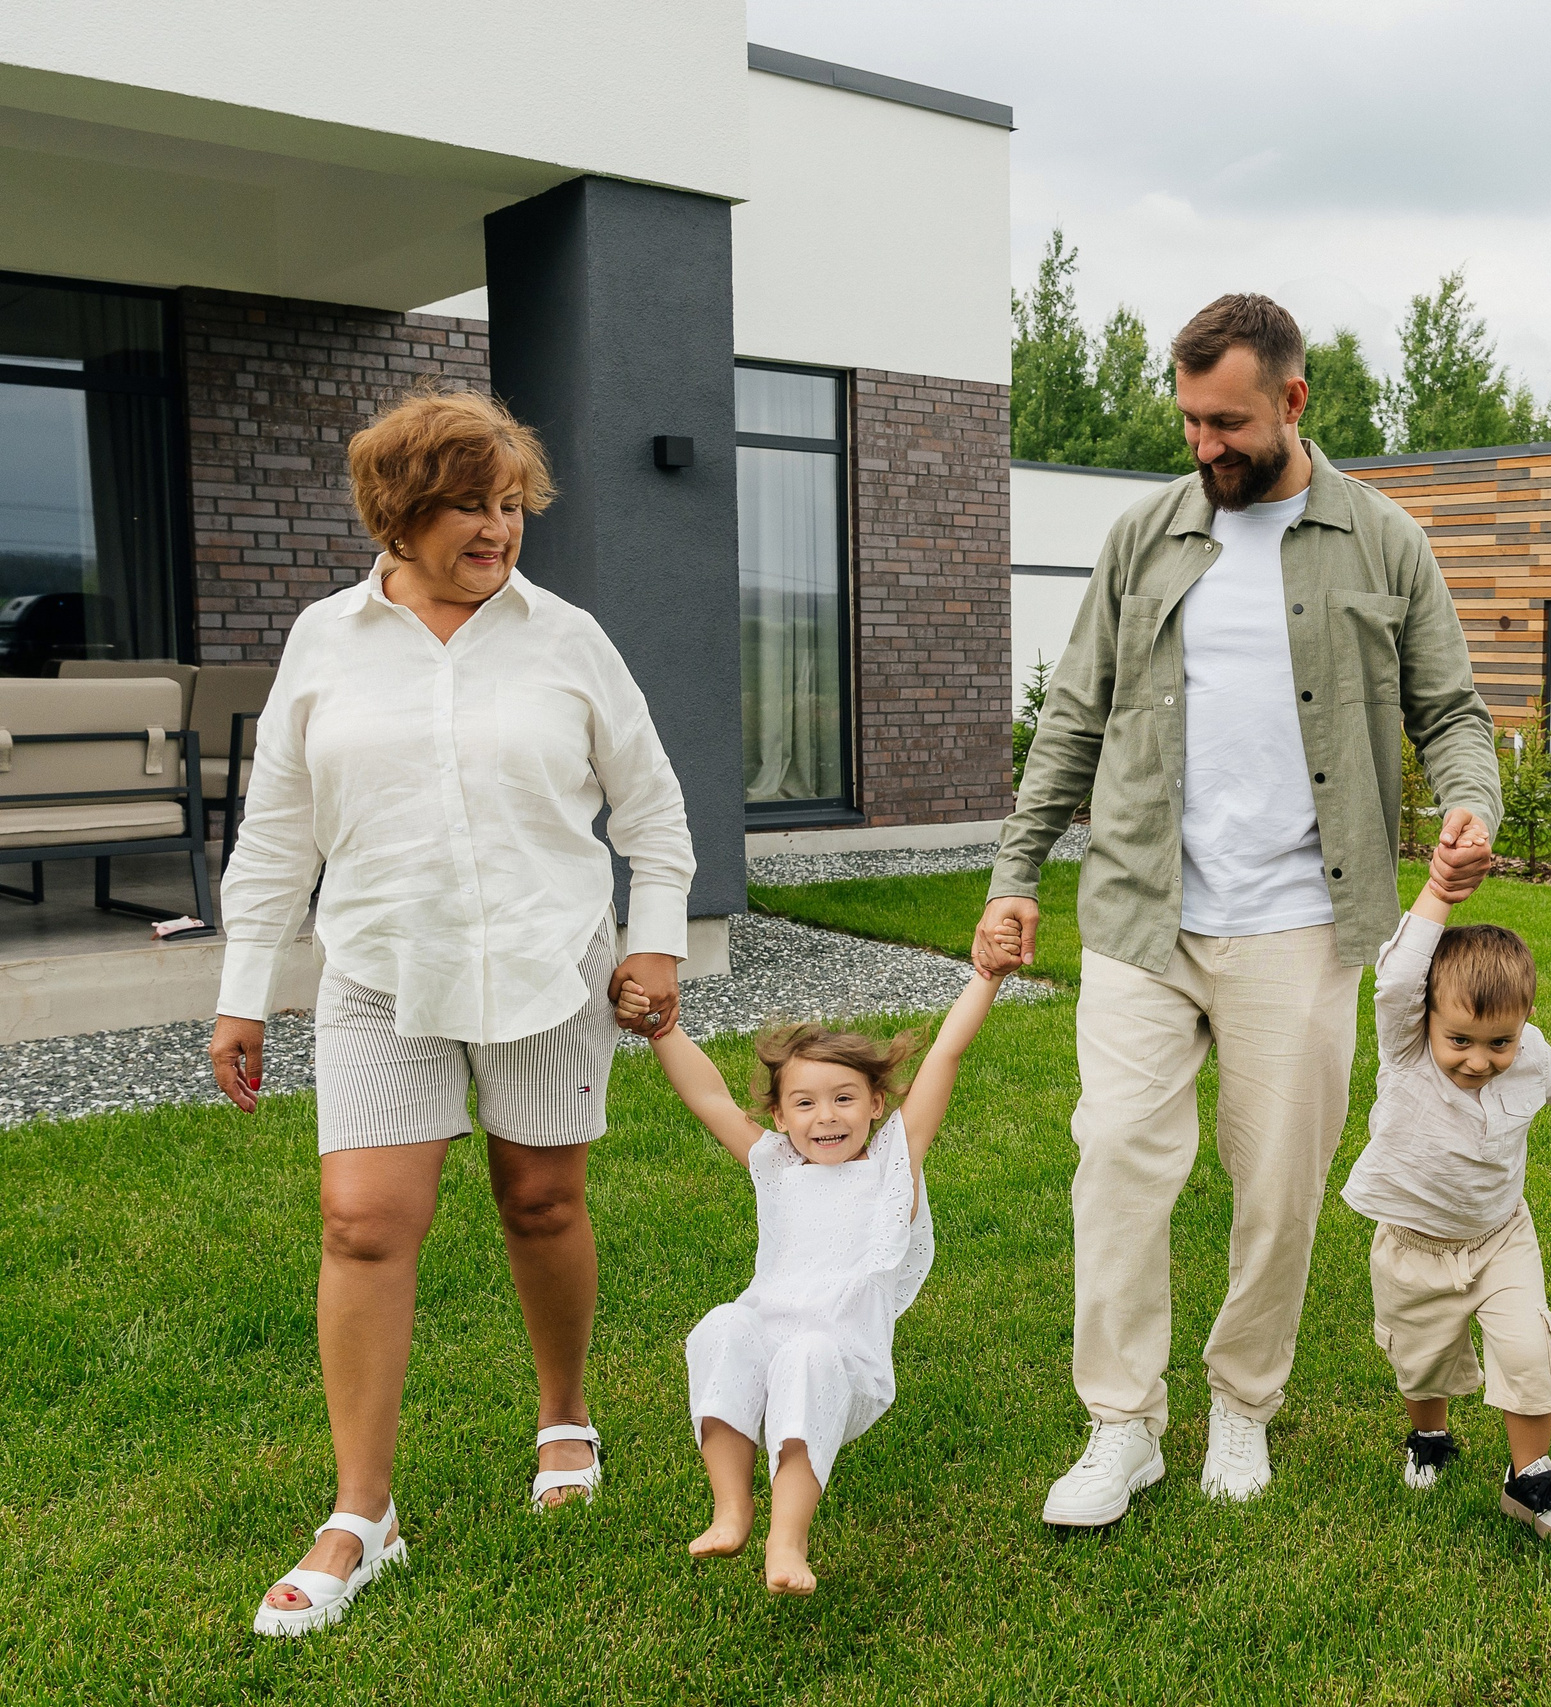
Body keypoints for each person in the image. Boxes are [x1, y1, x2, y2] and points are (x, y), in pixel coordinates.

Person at [973, 292, 1501, 1527]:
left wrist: (1471, 803)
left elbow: (1454, 713)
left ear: (1293, 401)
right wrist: (1014, 874)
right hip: (1144, 913)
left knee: (1278, 1185)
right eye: (1191, 420)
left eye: (1228, 421)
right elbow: (1073, 719)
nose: (1205, 445)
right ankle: (1121, 1427)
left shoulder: (1384, 541)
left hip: (1305, 922)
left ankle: (1241, 1406)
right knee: (1115, 1163)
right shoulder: (1144, 536)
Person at [216, 387, 697, 1638]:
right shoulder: (323, 641)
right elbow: (276, 833)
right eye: (468, 507)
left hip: (550, 963)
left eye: (509, 505)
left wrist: (655, 947)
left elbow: (652, 812)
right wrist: (243, 992)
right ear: (398, 513)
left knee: (541, 1196)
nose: (498, 530)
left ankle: (564, 1414)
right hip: (381, 968)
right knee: (362, 1219)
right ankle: (362, 1514)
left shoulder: (567, 638)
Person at [623, 949, 1011, 1595]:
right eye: (803, 1102)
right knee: (721, 1325)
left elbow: (943, 1055)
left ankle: (787, 1537)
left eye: (843, 1098)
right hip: (765, 1341)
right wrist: (664, 1031)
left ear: (877, 1104)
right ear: (779, 1116)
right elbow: (708, 1095)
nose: (825, 1115)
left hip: (842, 1361)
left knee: (805, 1354)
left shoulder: (893, 1167)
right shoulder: (774, 1164)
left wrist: (986, 978)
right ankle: (731, 1506)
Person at [1341, 857, 1551, 1544]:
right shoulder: (1408, 1046)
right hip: (1413, 1247)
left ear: (1523, 1022)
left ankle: (1529, 1475)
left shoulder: (1530, 1056)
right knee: (1420, 1359)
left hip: (1500, 1236)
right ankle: (1430, 1436)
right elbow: (1394, 975)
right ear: (1429, 1019)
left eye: (1498, 1042)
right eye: (1462, 1041)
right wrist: (1439, 893)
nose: (1479, 1060)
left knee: (1528, 1346)